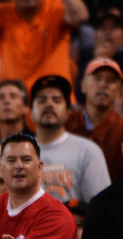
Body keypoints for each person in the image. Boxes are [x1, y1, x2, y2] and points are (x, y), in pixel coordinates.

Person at [0, 0, 88, 94]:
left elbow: (80, 15)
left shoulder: (54, 8)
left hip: (55, 100)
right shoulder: (5, 12)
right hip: (16, 103)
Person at [31, 75, 109, 205]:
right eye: (42, 100)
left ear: (68, 112)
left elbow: (102, 206)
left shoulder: (88, 151)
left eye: (57, 100)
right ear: (30, 112)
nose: (49, 105)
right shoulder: (19, 153)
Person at [66, 58, 123, 182]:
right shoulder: (65, 124)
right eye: (97, 78)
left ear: (118, 90)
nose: (103, 85)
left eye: (111, 80)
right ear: (83, 86)